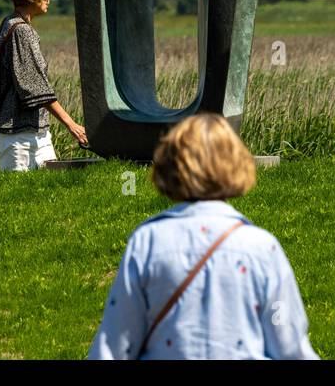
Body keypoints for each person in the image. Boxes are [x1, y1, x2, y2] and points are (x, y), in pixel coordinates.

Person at [88, 113, 317, 359]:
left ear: (169, 166)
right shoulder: (262, 248)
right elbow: (289, 345)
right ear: (237, 163)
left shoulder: (148, 242)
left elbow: (114, 346)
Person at [0, 0, 87, 170]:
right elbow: (34, 88)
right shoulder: (21, 31)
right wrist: (72, 125)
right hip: (19, 136)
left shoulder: (10, 23)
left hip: (33, 133)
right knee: (19, 199)